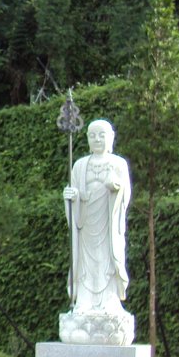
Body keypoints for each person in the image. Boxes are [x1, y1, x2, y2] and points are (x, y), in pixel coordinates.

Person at [61, 119, 133, 344]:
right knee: (85, 262)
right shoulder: (80, 165)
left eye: (102, 135)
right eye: (93, 135)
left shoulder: (118, 164)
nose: (97, 139)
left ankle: (109, 302)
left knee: (107, 260)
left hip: (108, 223)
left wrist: (116, 189)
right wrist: (71, 198)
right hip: (85, 223)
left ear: (111, 137)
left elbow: (125, 195)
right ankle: (84, 301)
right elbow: (74, 195)